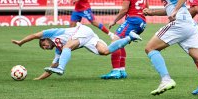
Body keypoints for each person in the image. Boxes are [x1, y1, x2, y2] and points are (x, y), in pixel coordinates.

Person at [11, 23, 142, 79]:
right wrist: (38, 79)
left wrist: (21, 42)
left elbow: (34, 35)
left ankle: (62, 68)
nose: (45, 47)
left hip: (82, 31)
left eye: (43, 44)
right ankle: (129, 37)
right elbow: (52, 67)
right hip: (87, 38)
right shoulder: (58, 49)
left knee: (67, 47)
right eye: (44, 48)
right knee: (105, 51)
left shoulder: (52, 33)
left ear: (45, 39)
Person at [101, 0, 148, 79]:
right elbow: (146, 7)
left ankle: (115, 71)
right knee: (121, 43)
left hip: (133, 20)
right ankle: (122, 70)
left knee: (115, 41)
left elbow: (124, 9)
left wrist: (114, 20)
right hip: (142, 21)